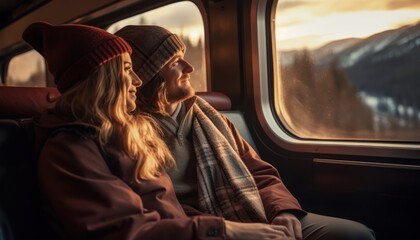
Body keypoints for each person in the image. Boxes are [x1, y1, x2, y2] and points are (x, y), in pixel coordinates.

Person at [24, 22, 292, 240]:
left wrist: (284, 210)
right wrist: (222, 229)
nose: (137, 81)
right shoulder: (71, 147)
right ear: (103, 80)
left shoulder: (130, 130)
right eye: (128, 70)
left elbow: (168, 209)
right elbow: (125, 229)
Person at [115, 25, 376, 240]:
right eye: (174, 62)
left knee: (354, 235)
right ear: (148, 77)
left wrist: (283, 211)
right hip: (196, 227)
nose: (189, 68)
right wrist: (224, 228)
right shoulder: (126, 133)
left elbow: (259, 173)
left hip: (249, 207)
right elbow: (152, 209)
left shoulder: (209, 118)